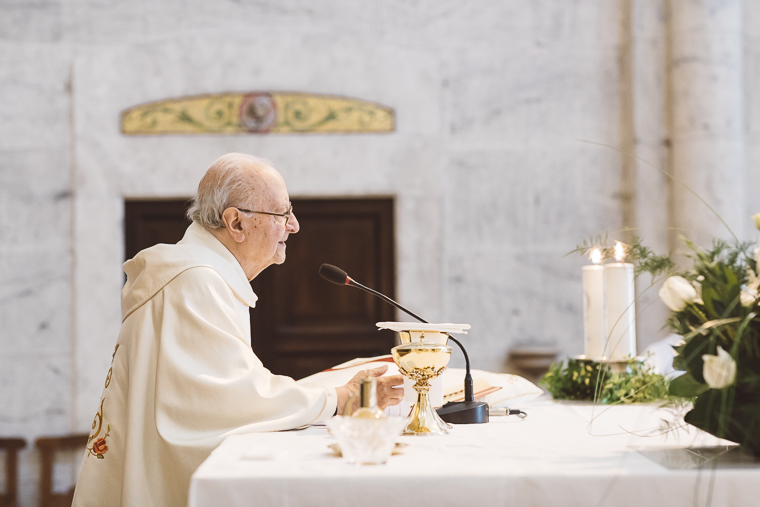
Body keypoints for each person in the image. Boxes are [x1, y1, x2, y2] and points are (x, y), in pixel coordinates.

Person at [72, 153, 404, 507]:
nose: (293, 225)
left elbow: (224, 391)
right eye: (282, 214)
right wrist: (338, 397)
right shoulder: (196, 280)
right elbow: (231, 400)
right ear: (236, 223)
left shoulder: (196, 273)